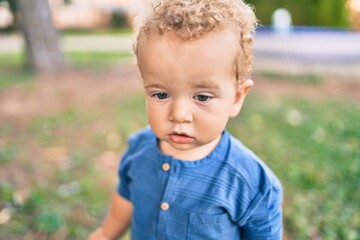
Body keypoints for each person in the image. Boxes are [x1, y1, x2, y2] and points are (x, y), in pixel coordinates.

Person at [89, 0, 283, 239]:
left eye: (202, 96)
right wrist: (105, 234)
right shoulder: (138, 149)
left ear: (236, 98)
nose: (179, 114)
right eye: (161, 94)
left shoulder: (252, 183)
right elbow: (124, 202)